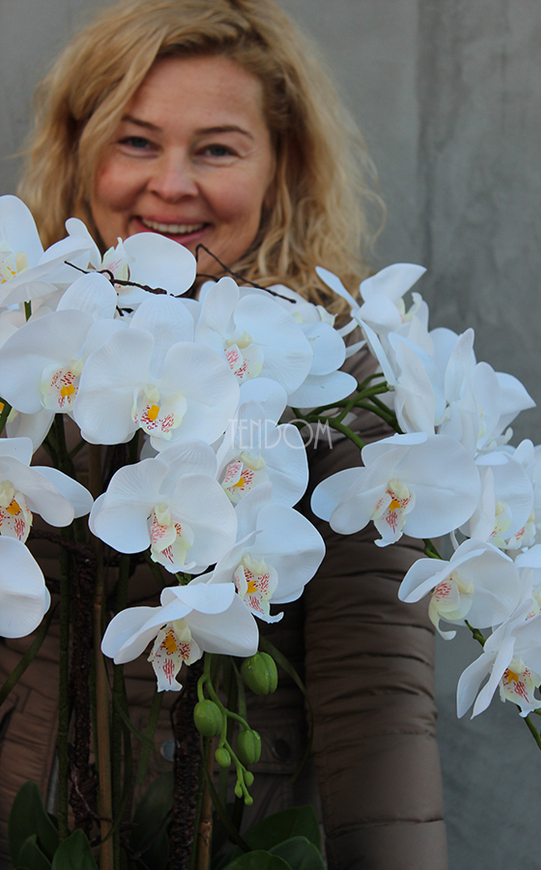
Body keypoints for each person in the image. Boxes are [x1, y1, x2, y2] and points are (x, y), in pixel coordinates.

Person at [2, 1, 448, 867]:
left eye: (216, 148)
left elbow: (377, 695)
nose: (171, 184)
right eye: (136, 141)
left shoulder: (329, 379)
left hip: (230, 830)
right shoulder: (28, 343)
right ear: (81, 150)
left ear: (283, 165)